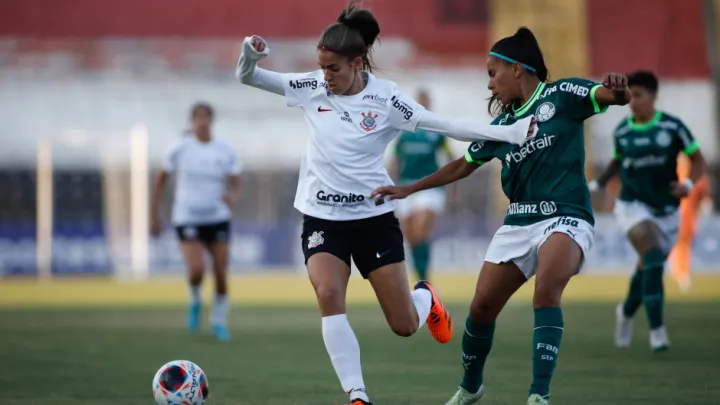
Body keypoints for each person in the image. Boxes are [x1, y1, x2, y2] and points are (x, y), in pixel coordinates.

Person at [235, 3, 536, 404]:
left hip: (373, 218)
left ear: (357, 63)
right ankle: (357, 394)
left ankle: (425, 297)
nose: (326, 77)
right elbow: (248, 77)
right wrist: (250, 55)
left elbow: (443, 124)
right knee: (328, 295)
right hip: (322, 218)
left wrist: (512, 133)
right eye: (322, 68)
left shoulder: (388, 100)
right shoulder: (311, 88)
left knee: (404, 325)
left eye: (334, 69)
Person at [371, 27, 630, 405]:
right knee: (481, 309)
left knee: (546, 292)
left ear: (517, 69)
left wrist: (619, 89)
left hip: (566, 215)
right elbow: (462, 165)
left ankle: (538, 394)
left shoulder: (562, 95)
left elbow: (611, 95)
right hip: (519, 222)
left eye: (493, 72)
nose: (489, 84)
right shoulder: (501, 127)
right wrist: (409, 188)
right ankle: (471, 386)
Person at [589, 70, 706, 351]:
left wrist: (688, 183)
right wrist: (596, 185)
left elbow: (697, 159)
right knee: (653, 256)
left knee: (647, 268)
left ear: (654, 96)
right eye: (630, 95)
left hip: (667, 209)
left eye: (639, 95)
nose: (633, 101)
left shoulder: (672, 128)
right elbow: (617, 163)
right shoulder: (623, 131)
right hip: (632, 206)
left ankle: (626, 312)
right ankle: (658, 332)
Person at [150, 103, 243, 342]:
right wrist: (154, 214)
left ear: (212, 121)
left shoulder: (225, 149)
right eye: (197, 118)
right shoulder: (180, 148)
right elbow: (161, 180)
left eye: (205, 117)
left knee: (221, 274)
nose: (201, 122)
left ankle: (219, 323)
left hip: (217, 217)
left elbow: (236, 181)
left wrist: (232, 196)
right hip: (187, 217)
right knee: (196, 271)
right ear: (191, 122)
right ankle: (194, 300)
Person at [391, 89, 454, 282]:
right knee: (410, 237)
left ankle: (425, 279)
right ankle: (421, 278)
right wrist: (389, 184)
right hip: (405, 187)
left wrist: (452, 187)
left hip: (429, 187)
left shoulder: (437, 132)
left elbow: (450, 158)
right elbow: (395, 160)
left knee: (420, 229)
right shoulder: (404, 132)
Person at [669, 153, 711, 291]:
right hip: (671, 216)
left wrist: (705, 204)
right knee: (676, 245)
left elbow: (703, 192)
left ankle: (681, 272)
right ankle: (678, 271)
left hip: (687, 218)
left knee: (683, 245)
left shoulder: (694, 178)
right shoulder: (672, 176)